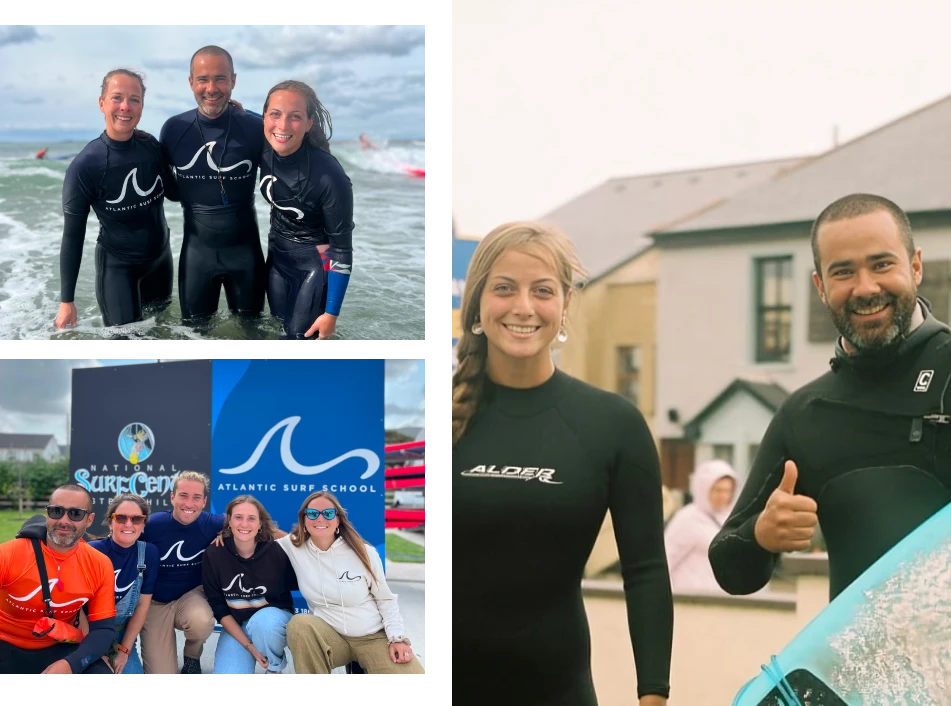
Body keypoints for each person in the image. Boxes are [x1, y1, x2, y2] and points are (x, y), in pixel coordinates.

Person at [449, 221, 672, 706]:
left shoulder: (613, 424)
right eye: (504, 288)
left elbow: (647, 571)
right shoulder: (435, 418)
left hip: (558, 692)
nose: (524, 307)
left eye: (543, 291)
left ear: (565, 305)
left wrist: (653, 694)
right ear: (478, 305)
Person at [710, 193, 951, 602]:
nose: (865, 288)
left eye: (882, 264)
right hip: (857, 665)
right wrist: (762, 534)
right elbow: (729, 567)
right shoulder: (806, 413)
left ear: (914, 266)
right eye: (843, 272)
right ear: (820, 286)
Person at [55, 68, 179, 330]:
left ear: (142, 106)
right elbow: (73, 237)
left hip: (161, 260)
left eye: (134, 99)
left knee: (165, 331)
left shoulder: (152, 147)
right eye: (117, 98)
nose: (125, 106)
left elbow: (175, 192)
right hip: (118, 269)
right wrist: (67, 301)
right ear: (102, 103)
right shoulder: (85, 166)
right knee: (125, 343)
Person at [159, 45, 266, 324]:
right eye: (203, 79)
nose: (211, 87)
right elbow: (166, 187)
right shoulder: (174, 129)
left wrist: (253, 114)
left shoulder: (255, 128)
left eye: (220, 78)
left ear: (233, 80)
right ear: (191, 82)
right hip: (197, 256)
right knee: (194, 336)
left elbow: (296, 146)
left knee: (254, 335)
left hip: (246, 256)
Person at [278, 491, 424, 675]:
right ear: (304, 519)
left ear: (338, 519)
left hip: (372, 636)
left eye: (328, 513)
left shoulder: (364, 552)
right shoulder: (293, 546)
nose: (320, 519)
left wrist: (397, 638)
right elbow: (258, 538)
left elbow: (385, 599)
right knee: (300, 624)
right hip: (331, 636)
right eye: (313, 513)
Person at [259, 80, 354, 340]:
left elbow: (342, 248)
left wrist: (331, 313)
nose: (282, 125)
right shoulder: (266, 144)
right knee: (281, 336)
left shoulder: (329, 175)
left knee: (298, 341)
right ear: (265, 116)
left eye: (295, 117)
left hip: (314, 266)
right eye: (275, 114)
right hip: (277, 261)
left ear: (310, 123)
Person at [0, 484, 115, 675]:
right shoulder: (9, 554)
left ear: (89, 520)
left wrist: (72, 664)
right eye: (56, 511)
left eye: (75, 514)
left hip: (58, 646)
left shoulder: (99, 564)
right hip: (5, 643)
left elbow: (103, 630)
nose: (64, 520)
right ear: (47, 513)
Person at [202, 495, 297, 674]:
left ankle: (273, 667)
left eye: (251, 518)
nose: (244, 524)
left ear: (260, 523)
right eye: (238, 517)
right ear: (229, 521)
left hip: (273, 620)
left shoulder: (278, 550)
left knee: (264, 623)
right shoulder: (214, 554)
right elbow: (219, 608)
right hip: (237, 625)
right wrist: (250, 647)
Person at [87, 493, 158, 674]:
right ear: (110, 522)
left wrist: (125, 650)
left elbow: (142, 605)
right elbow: (78, 608)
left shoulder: (149, 553)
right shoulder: (93, 551)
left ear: (143, 525)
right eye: (121, 518)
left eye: (136, 519)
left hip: (121, 636)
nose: (128, 524)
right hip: (88, 633)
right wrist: (94, 649)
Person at [664, 460, 737, 594]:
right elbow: (666, 559)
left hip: (722, 601)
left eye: (727, 490)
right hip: (689, 599)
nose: (723, 496)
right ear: (704, 489)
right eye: (718, 490)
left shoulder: (732, 519)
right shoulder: (686, 519)